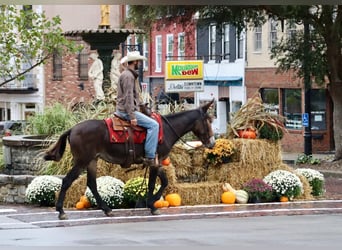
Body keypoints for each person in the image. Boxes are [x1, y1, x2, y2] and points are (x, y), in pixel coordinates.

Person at [115, 51, 159, 167]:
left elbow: (134, 96)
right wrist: (132, 116)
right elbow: (128, 97)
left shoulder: (128, 75)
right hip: (125, 112)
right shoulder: (128, 76)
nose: (139, 63)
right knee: (154, 125)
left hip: (126, 109)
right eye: (138, 61)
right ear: (134, 62)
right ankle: (150, 157)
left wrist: (144, 107)